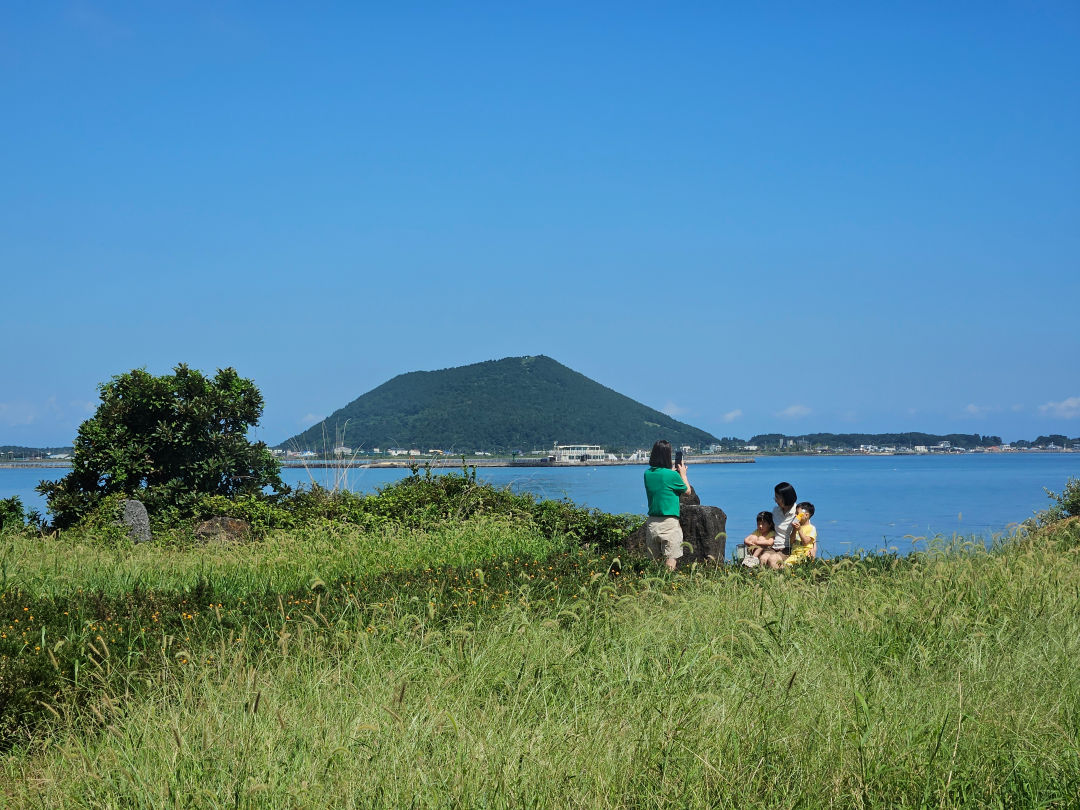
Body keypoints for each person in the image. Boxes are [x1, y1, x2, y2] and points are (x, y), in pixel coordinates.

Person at [643, 439, 692, 570]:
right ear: (667, 456)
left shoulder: (647, 474)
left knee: (653, 563)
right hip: (669, 523)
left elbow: (662, 480)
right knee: (670, 560)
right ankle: (667, 581)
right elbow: (687, 491)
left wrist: (670, 472)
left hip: (652, 523)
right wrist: (683, 474)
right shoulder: (672, 475)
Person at [760, 481, 798, 569]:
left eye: (777, 497)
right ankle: (763, 577)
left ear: (786, 498)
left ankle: (780, 577)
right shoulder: (776, 511)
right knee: (763, 558)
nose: (775, 500)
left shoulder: (797, 512)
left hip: (788, 548)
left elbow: (807, 530)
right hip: (774, 546)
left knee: (773, 559)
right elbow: (770, 528)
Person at [784, 502, 818, 566]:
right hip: (794, 554)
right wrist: (794, 530)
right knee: (785, 565)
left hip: (805, 554)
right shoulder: (796, 527)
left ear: (806, 515)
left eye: (797, 513)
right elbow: (791, 541)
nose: (795, 515)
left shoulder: (812, 528)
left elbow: (805, 542)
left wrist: (799, 529)